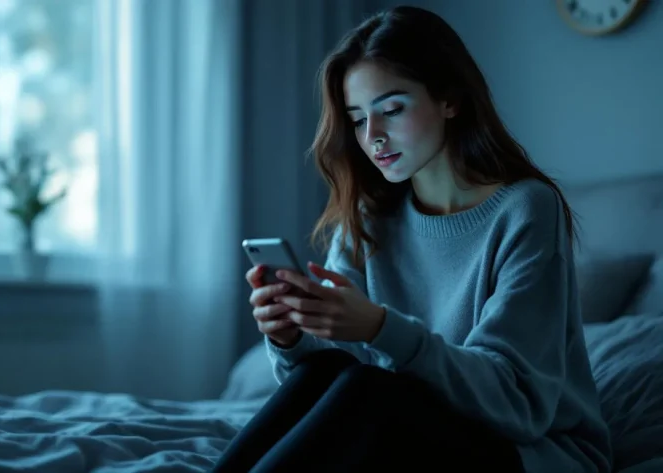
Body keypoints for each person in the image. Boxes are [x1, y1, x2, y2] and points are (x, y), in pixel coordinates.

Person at [212, 5, 612, 473]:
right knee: (329, 373)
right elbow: (336, 373)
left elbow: (517, 403)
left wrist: (382, 327)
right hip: (406, 425)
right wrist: (290, 336)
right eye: (358, 119)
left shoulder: (525, 209)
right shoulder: (369, 216)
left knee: (372, 389)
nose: (373, 137)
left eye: (392, 109)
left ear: (449, 99)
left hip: (531, 454)